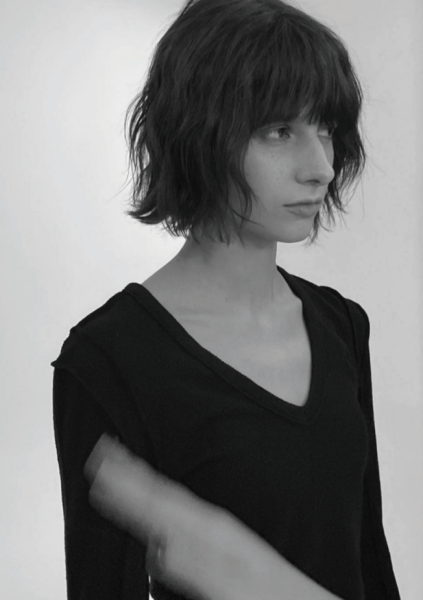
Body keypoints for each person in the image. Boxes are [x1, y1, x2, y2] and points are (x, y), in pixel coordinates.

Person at [51, 0, 402, 599]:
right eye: (279, 131)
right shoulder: (109, 359)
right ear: (200, 133)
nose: (320, 167)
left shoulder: (341, 325)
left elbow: (368, 558)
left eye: (325, 129)